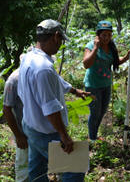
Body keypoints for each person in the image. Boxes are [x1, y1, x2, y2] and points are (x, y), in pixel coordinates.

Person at [18, 19, 90, 182]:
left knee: (37, 169)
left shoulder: (28, 58)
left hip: (30, 125)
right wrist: (64, 136)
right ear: (56, 36)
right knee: (74, 169)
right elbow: (50, 108)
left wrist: (73, 90)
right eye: (61, 40)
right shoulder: (43, 68)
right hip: (46, 131)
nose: (60, 45)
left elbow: (54, 81)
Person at [83, 20, 130, 141]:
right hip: (93, 85)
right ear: (98, 34)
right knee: (95, 113)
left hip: (106, 85)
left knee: (102, 111)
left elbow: (115, 61)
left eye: (109, 35)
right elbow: (86, 64)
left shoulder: (111, 47)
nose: (107, 38)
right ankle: (92, 138)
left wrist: (126, 57)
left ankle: (94, 134)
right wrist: (95, 48)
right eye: (104, 35)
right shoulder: (90, 46)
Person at [3, 64, 29, 182]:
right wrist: (18, 135)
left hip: (42, 128)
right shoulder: (13, 80)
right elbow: (7, 110)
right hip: (24, 130)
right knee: (23, 164)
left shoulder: (40, 73)